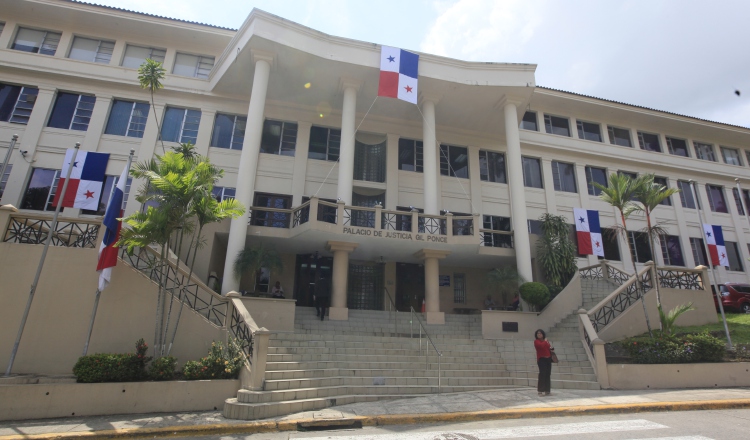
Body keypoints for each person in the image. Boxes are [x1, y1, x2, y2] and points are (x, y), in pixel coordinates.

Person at [533, 329, 553, 396]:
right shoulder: (536, 341)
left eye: (540, 333)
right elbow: (541, 346)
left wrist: (551, 348)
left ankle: (547, 390)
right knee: (542, 374)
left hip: (548, 359)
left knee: (548, 374)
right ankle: (540, 390)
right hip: (541, 359)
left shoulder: (546, 341)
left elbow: (549, 347)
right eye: (538, 333)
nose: (539, 334)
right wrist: (545, 341)